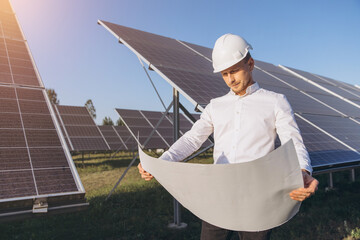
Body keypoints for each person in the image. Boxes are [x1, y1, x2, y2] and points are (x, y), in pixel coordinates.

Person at [138, 33, 319, 240]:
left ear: (250, 64)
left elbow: (293, 141)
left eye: (234, 70)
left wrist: (303, 170)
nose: (230, 79)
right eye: (224, 74)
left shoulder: (276, 102)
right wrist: (162, 162)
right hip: (219, 196)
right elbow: (192, 139)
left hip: (258, 196)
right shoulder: (215, 106)